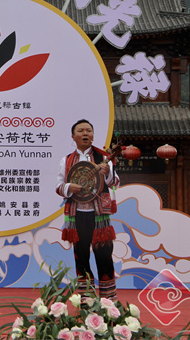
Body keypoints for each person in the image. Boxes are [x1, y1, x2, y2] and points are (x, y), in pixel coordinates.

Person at [56, 119, 120, 300]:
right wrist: (69, 187)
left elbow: (115, 183)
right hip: (77, 215)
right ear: (73, 137)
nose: (85, 133)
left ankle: (108, 302)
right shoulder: (67, 160)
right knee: (81, 257)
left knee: (104, 255)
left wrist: (107, 172)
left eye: (88, 130)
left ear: (93, 135)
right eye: (81, 130)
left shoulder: (104, 158)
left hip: (99, 215)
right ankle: (86, 301)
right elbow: (58, 186)